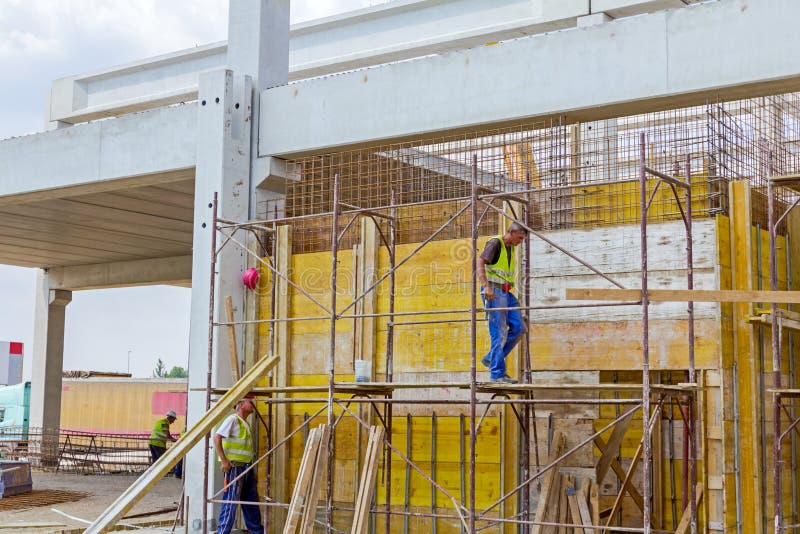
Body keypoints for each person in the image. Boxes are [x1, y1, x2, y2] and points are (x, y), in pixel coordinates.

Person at [477, 222, 528, 383]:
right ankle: (497, 373)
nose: (520, 242)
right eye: (519, 238)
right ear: (512, 232)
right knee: (499, 332)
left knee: (519, 327)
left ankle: (491, 358)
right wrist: (487, 286)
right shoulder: (495, 243)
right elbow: (479, 263)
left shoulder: (510, 247)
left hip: (506, 292)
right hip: (494, 292)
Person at [214, 397, 263, 534]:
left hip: (246, 467)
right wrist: (224, 461)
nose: (253, 404)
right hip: (235, 467)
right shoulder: (232, 419)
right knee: (231, 503)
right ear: (241, 404)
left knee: (251, 503)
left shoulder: (244, 423)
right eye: (250, 402)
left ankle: (257, 531)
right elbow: (217, 437)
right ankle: (222, 532)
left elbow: (245, 449)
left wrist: (251, 469)